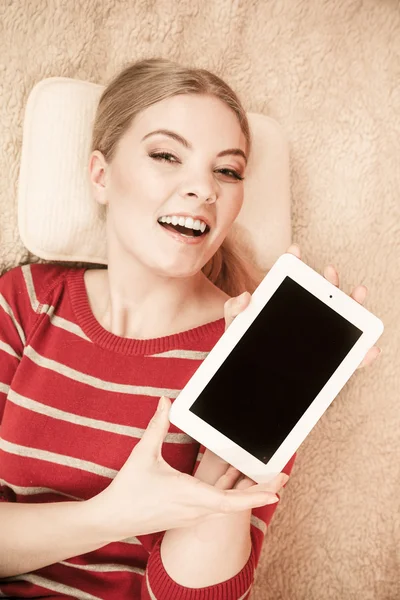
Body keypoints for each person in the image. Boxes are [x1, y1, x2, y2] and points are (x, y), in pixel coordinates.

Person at [0, 57, 378, 599]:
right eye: (165, 155)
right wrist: (112, 515)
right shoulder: (27, 301)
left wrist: (239, 433)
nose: (203, 188)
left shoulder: (253, 345)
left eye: (227, 170)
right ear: (101, 176)